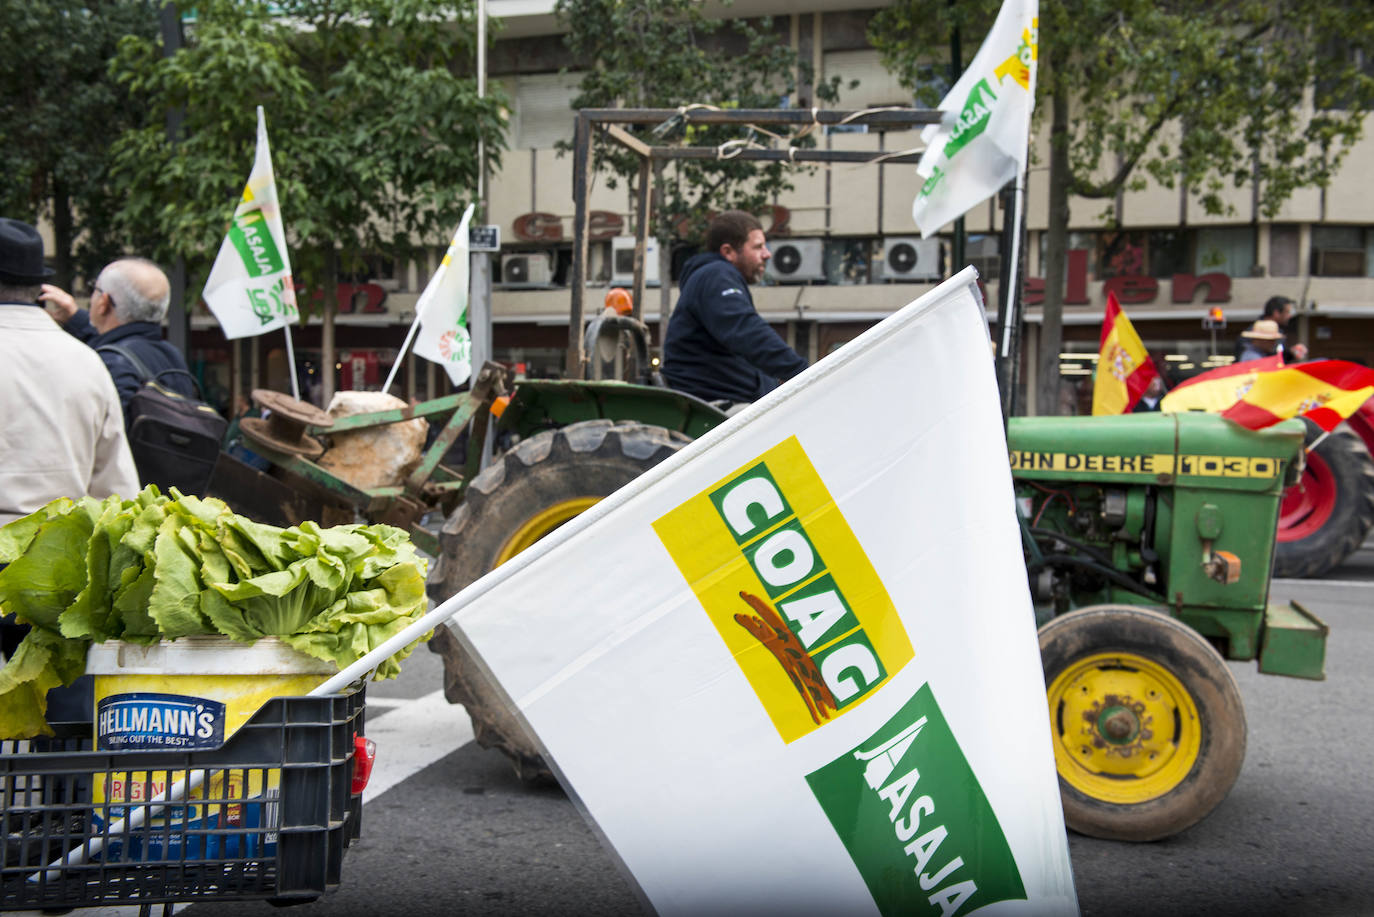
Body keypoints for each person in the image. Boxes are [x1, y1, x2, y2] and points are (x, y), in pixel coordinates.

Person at [0, 218, 139, 663]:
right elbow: (117, 494)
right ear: (40, 288)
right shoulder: (87, 362)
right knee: (55, 718)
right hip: (56, 573)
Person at [661, 210, 808, 409]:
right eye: (758, 247)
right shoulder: (716, 276)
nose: (767, 254)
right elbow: (747, 331)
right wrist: (803, 372)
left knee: (796, 434)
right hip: (720, 410)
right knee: (794, 437)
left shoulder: (711, 278)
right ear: (728, 252)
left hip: (734, 405)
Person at [39, 257, 197, 416]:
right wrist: (75, 319)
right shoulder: (171, 356)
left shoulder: (112, 363)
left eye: (94, 288)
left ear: (104, 302)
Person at [1234, 296, 1308, 362]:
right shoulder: (1250, 353)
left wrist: (1289, 353)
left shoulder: (1278, 332)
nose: (1273, 343)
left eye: (1274, 340)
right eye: (1287, 312)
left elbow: (1276, 360)